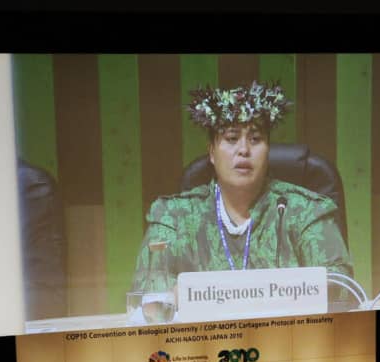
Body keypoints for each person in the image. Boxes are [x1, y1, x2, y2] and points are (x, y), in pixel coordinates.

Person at [130, 82, 353, 294]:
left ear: (268, 150)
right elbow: (145, 291)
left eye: (255, 139)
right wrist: (184, 295)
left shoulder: (306, 212)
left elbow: (342, 288)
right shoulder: (174, 217)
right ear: (212, 153)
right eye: (231, 138)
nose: (244, 150)